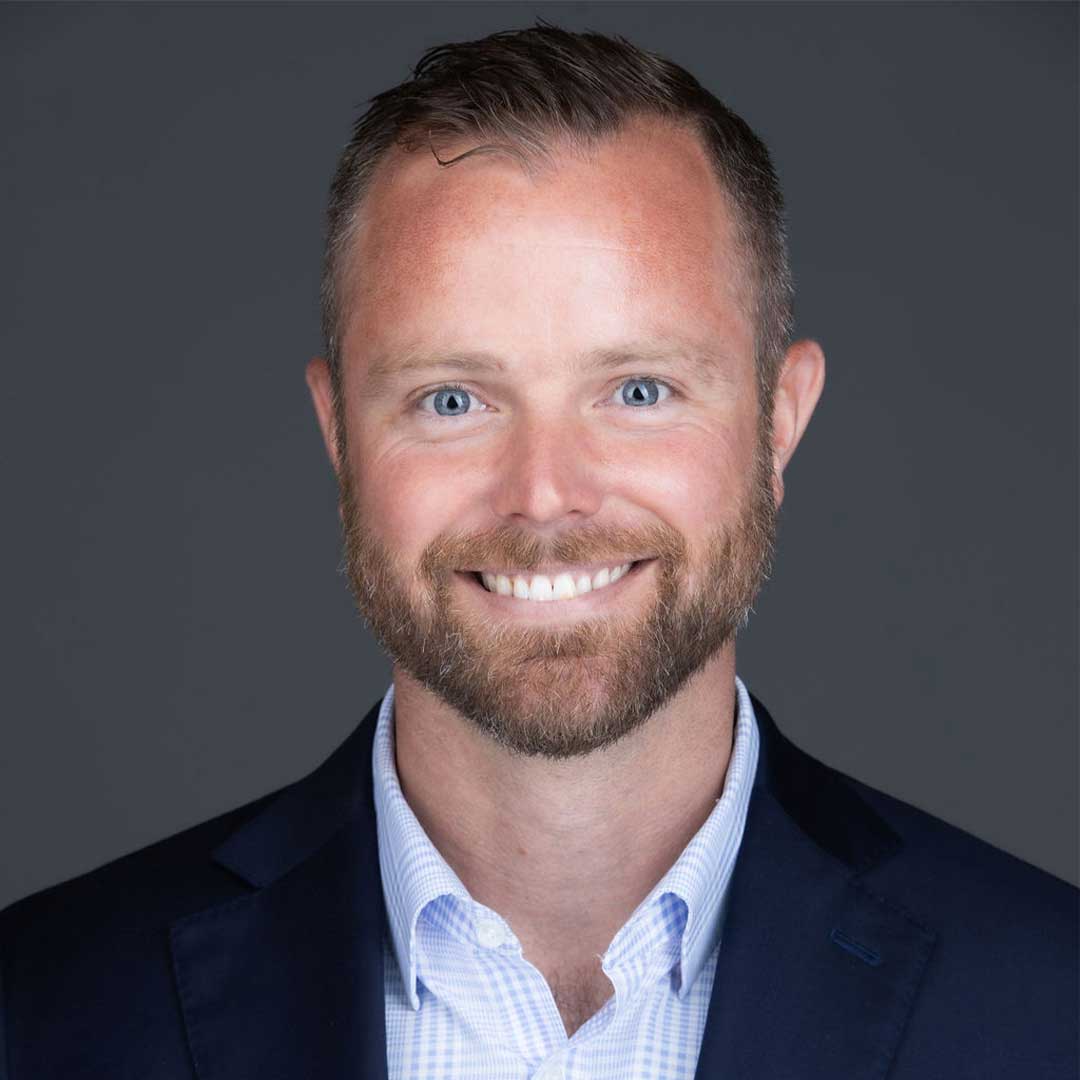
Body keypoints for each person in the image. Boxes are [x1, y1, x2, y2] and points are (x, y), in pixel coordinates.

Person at [1, 23, 1075, 1080]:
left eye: (639, 391)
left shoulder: (1050, 1004)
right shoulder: (40, 1010)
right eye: (454, 399)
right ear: (339, 436)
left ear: (781, 418)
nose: (545, 493)